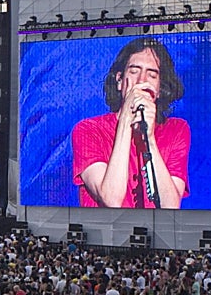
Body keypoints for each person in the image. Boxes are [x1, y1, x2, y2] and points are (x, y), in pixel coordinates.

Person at [71, 37, 190, 209]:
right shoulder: (88, 130)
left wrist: (149, 138)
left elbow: (170, 207)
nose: (142, 81)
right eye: (134, 71)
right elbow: (111, 199)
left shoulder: (176, 130)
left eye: (152, 75)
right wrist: (127, 118)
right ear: (119, 80)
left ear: (159, 89)